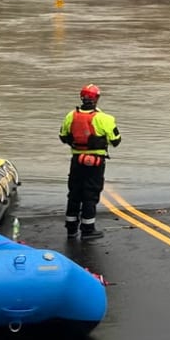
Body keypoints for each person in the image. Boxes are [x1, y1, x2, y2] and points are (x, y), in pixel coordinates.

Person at [59, 83, 121, 239]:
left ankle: (71, 229)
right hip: (95, 163)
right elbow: (116, 140)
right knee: (90, 194)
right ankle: (88, 229)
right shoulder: (105, 119)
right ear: (97, 99)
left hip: (76, 160)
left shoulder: (70, 116)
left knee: (74, 193)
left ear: (82, 97)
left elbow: (63, 136)